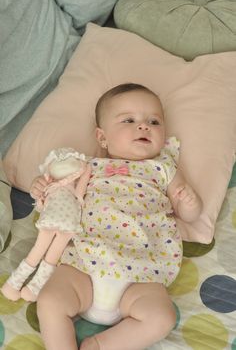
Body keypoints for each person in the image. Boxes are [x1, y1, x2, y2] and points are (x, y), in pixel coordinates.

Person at [29, 83, 202, 350]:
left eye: (154, 121)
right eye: (129, 120)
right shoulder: (87, 166)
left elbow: (190, 214)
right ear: (102, 138)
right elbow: (57, 198)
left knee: (162, 317)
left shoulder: (163, 168)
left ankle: (99, 345)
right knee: (50, 300)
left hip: (141, 272)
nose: (144, 126)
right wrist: (40, 187)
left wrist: (189, 202)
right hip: (85, 263)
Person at [1, 148, 91, 302]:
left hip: (68, 223)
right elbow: (37, 195)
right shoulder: (49, 184)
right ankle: (13, 284)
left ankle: (34, 288)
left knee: (52, 256)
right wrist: (38, 187)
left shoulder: (74, 186)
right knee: (38, 250)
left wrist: (87, 170)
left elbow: (81, 193)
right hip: (54, 220)